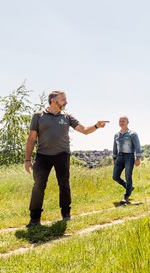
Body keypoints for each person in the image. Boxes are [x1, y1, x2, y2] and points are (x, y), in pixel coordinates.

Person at [24, 90, 109, 227]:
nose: (66, 102)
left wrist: (96, 126)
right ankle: (34, 219)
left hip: (62, 155)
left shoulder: (67, 116)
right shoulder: (38, 116)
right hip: (43, 156)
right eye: (63, 99)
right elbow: (31, 138)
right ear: (53, 100)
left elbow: (84, 130)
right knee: (38, 186)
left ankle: (66, 214)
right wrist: (27, 160)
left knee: (64, 185)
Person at [112, 116, 141, 205]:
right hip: (119, 157)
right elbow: (114, 147)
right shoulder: (116, 134)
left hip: (129, 156)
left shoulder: (132, 134)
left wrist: (138, 158)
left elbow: (137, 146)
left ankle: (126, 196)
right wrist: (114, 157)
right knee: (115, 176)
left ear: (127, 122)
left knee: (128, 176)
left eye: (123, 121)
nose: (121, 122)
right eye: (120, 121)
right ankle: (128, 187)